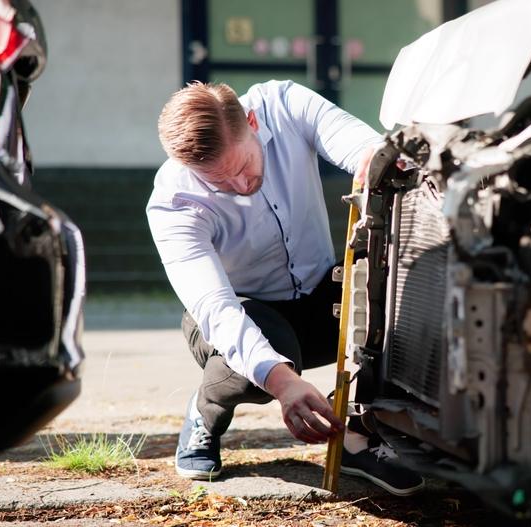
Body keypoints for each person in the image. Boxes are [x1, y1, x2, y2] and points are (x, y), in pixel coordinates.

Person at [146, 80, 424, 496]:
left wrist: (372, 156)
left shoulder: (282, 103)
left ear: (253, 122)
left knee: (403, 303)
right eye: (220, 182)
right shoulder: (174, 201)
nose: (240, 186)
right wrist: (283, 384)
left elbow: (350, 137)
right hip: (243, 314)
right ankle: (207, 412)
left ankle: (355, 434)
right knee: (257, 367)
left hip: (319, 294)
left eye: (242, 167)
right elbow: (217, 308)